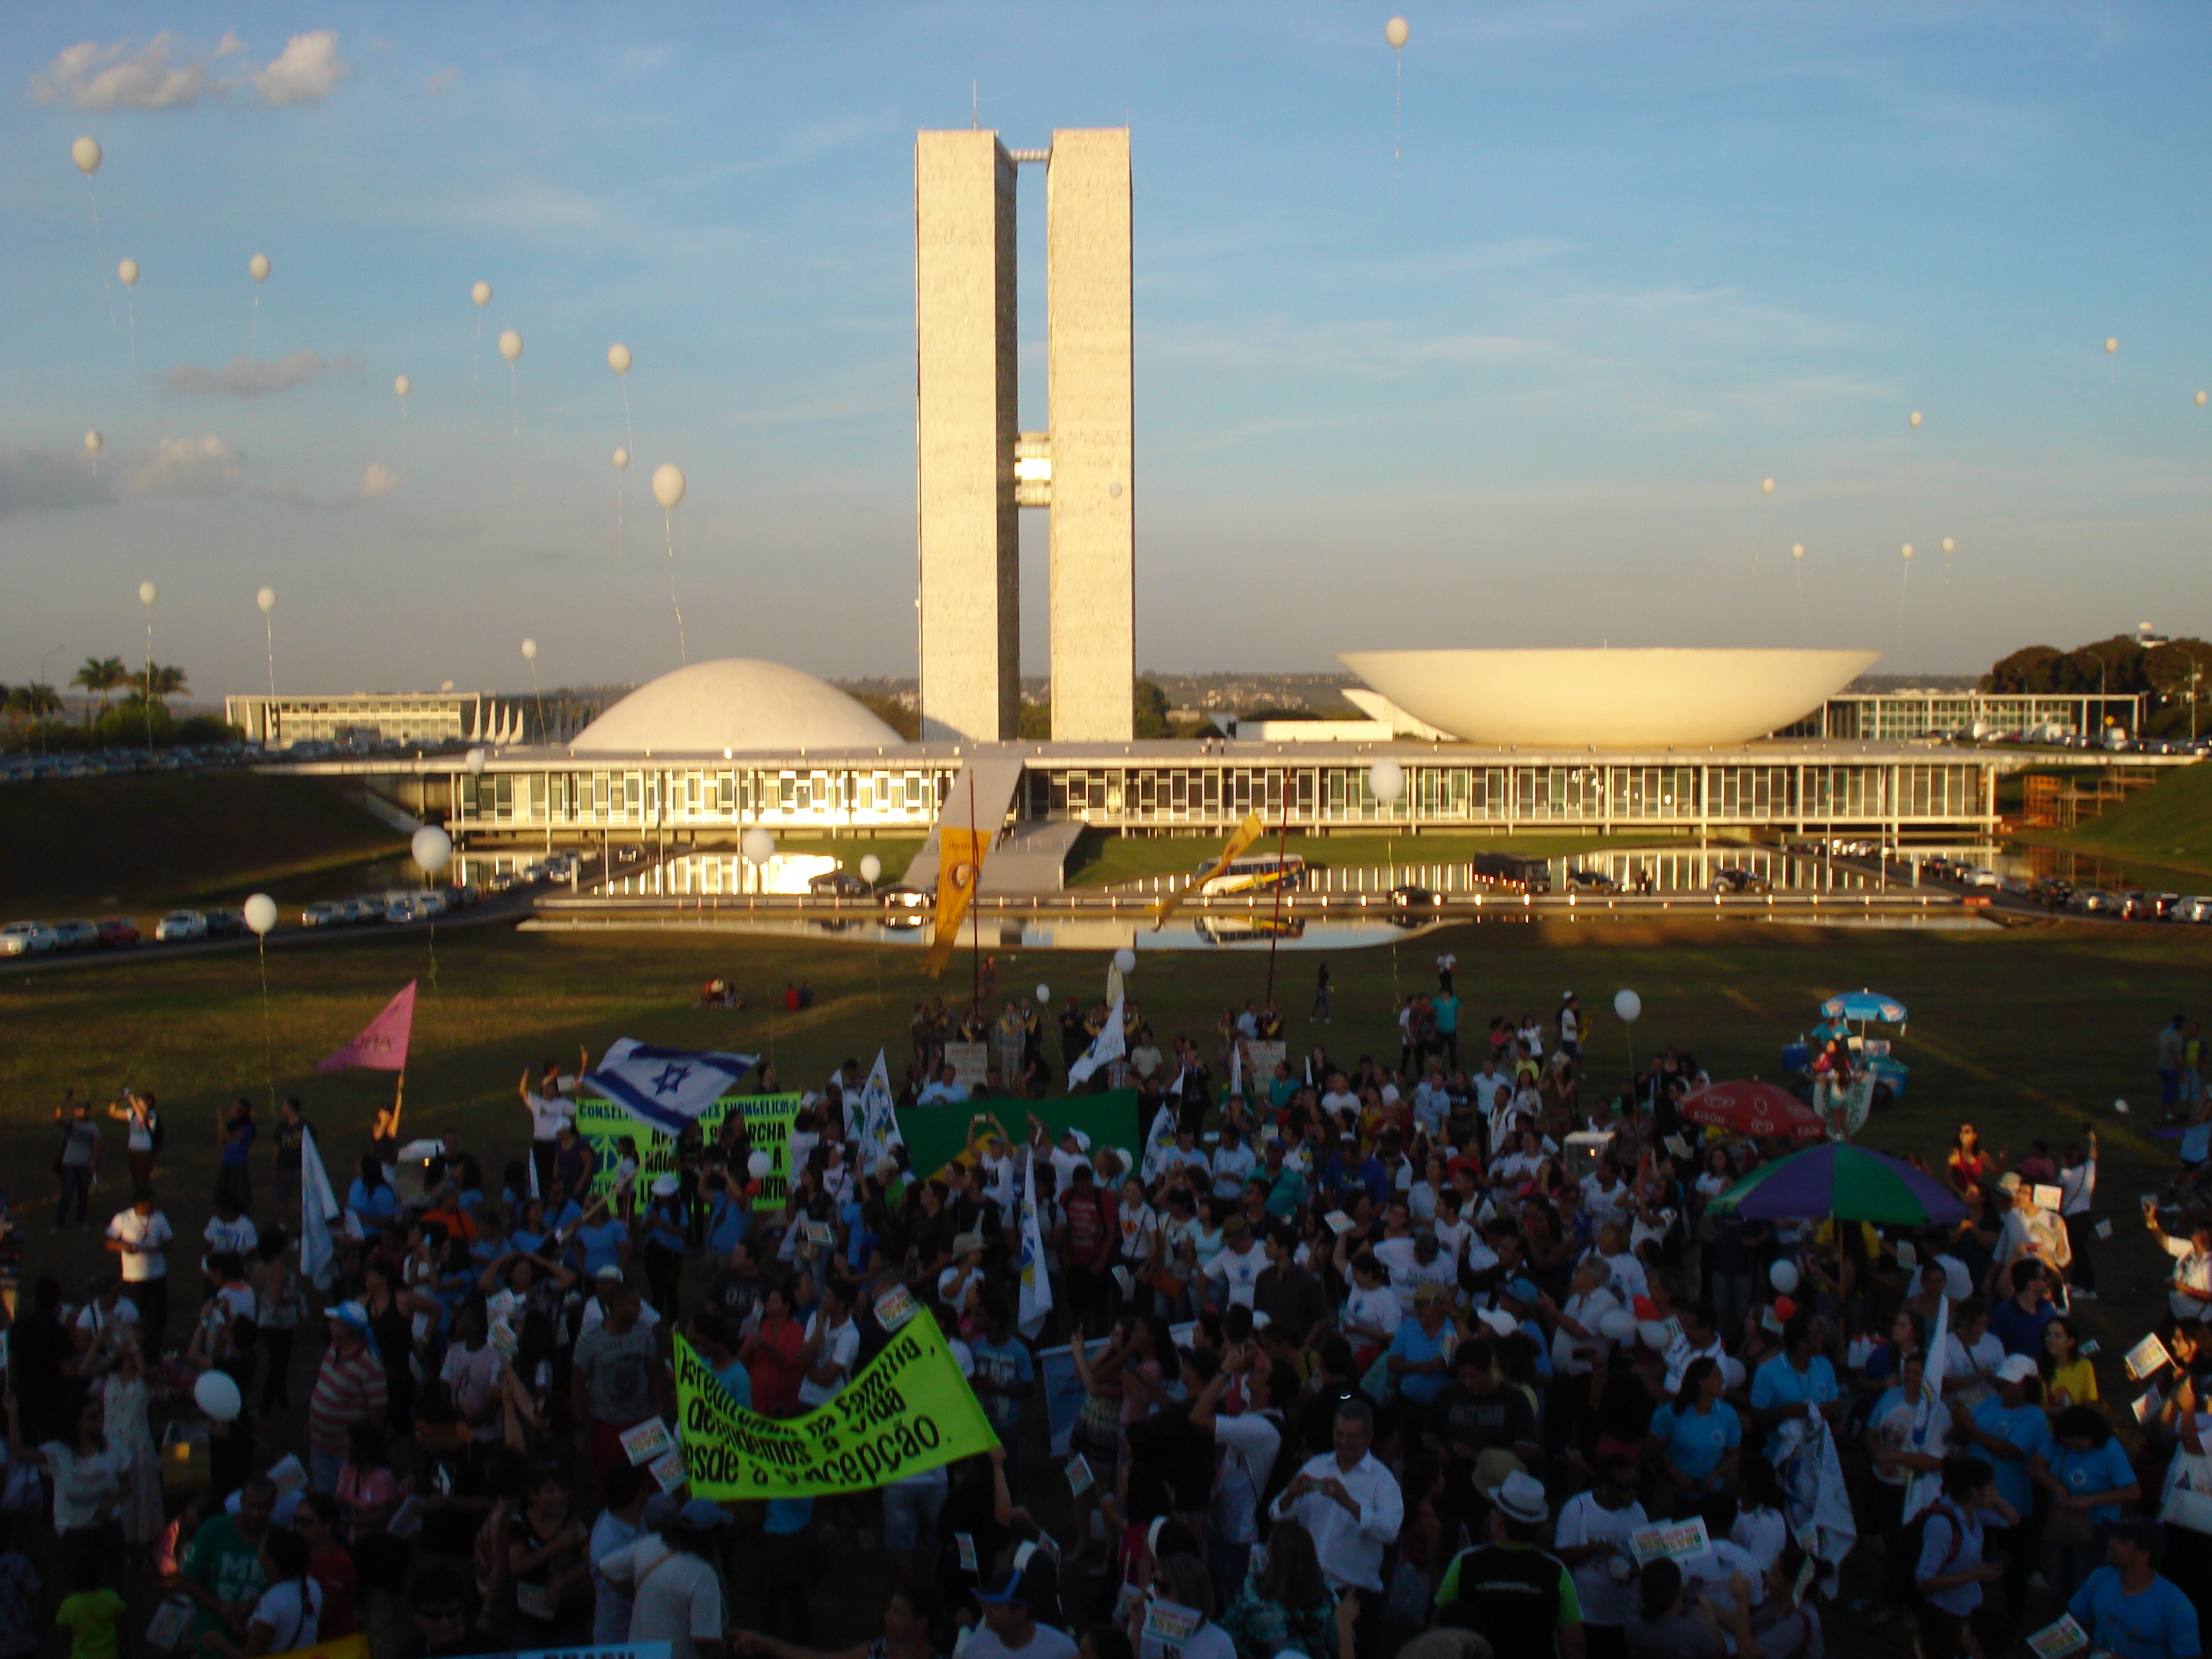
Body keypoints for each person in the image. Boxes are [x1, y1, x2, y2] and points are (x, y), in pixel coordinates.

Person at [1267, 1399, 1403, 1604]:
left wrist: (1349, 1504)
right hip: (1307, 1586)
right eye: (1339, 1435)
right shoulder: (1316, 1466)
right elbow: (1276, 1514)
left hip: (1353, 1592)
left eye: (1352, 1437)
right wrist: (1291, 1495)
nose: (1344, 1442)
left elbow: (1390, 1532)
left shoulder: (1383, 1480)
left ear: (1369, 1438)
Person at [1434, 1472, 1582, 1659]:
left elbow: (1438, 1626)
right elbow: (1573, 1642)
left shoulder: (1465, 1562)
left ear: (1500, 1520)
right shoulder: (1556, 1571)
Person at [4, 1380, 127, 1586]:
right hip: (74, 1534)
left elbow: (127, 1485)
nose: (100, 1419)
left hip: (107, 1531)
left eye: (101, 1413)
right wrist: (12, 1414)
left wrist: (113, 1499)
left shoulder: (112, 1448)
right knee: (78, 1589)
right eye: (93, 1416)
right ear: (76, 1422)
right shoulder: (58, 1452)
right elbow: (20, 1452)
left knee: (113, 1587)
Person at [598, 1498, 729, 1659]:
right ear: (713, 1536)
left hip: (639, 1654)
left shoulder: (650, 1544)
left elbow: (605, 1567)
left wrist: (637, 1596)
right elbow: (705, 1642)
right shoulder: (703, 1575)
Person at [1913, 1456, 2015, 1659]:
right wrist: (1975, 1575)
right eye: (1991, 1487)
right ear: (1974, 1491)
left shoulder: (1972, 1513)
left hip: (1967, 1610)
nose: (1995, 1491)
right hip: (1945, 1614)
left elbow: (2013, 1519)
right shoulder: (1942, 1525)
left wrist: (1994, 1499)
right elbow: (1924, 1581)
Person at [1552, 1455, 1645, 1659]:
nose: (1632, 1492)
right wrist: (1597, 1548)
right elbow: (1562, 1557)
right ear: (1604, 1487)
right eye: (1624, 1486)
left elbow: (1644, 1557)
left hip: (1625, 1615)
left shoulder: (1638, 1512)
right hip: (1586, 1615)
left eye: (1635, 1485)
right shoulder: (1578, 1508)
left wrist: (1633, 1572)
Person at [2067, 1519, 2201, 1659]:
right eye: (2113, 1537)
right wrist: (2072, 1645)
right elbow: (2073, 1623)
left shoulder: (2177, 1608)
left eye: (2123, 1541)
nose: (2111, 1543)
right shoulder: (2099, 1578)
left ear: (2144, 1555)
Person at [732, 1583, 943, 1659]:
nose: (888, 1617)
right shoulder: (876, 1651)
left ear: (921, 1623)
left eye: (897, 1614)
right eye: (890, 1610)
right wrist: (767, 1643)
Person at [203, 1527, 323, 1658]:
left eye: (261, 1547)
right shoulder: (312, 1585)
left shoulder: (272, 1601)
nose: (258, 1550)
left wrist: (221, 1644)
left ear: (271, 1562)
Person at [307, 1303, 389, 1494]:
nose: (329, 1326)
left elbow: (379, 1409)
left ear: (348, 1329)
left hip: (345, 1450)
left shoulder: (369, 1364)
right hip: (320, 1441)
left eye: (334, 1323)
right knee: (324, 1492)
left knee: (345, 1493)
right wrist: (311, 1423)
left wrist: (367, 1444)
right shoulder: (333, 1349)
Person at [963, 1563, 1078, 1659]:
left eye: (995, 1604)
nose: (986, 1610)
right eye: (985, 1603)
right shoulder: (975, 1648)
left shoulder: (1062, 1651)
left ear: (1021, 1611)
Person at [53, 1555, 125, 1659]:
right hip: (109, 1654)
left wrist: (66, 1652)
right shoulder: (111, 1597)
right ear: (102, 1577)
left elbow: (64, 1633)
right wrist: (121, 1646)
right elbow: (120, 1625)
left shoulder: (70, 1603)